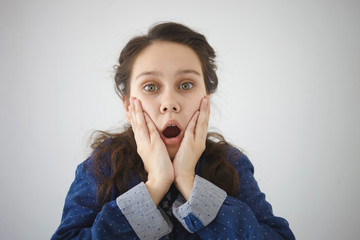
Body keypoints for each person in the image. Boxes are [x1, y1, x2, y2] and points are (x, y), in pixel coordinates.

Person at [51, 22, 295, 240]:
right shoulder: (102, 165)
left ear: (205, 99)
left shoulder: (232, 164)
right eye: (151, 86)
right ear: (128, 105)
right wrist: (155, 184)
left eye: (186, 85)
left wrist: (189, 181)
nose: (170, 102)